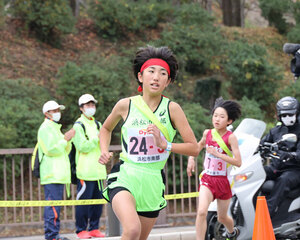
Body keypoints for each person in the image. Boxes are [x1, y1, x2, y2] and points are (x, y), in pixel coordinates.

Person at [98, 45, 200, 240]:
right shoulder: (125, 105)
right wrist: (104, 150)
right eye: (151, 71)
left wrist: (166, 145)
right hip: (126, 174)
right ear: (140, 76)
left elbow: (194, 148)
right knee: (132, 230)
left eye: (163, 74)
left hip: (153, 180)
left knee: (140, 238)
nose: (156, 77)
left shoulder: (172, 109)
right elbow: (105, 128)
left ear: (168, 81)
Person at [187, 97, 242, 240]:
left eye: (222, 117)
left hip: (223, 181)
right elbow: (197, 147)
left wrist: (218, 154)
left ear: (229, 121)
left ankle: (232, 232)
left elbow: (238, 162)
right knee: (201, 212)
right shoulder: (208, 133)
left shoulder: (231, 138)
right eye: (215, 115)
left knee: (222, 218)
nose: (217, 119)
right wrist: (191, 159)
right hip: (208, 179)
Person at [38, 100, 75, 240]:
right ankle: (52, 236)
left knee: (55, 207)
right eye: (55, 110)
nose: (58, 113)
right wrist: (65, 139)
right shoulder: (45, 128)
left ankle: (54, 235)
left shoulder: (54, 127)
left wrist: (68, 140)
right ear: (47, 113)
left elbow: (65, 150)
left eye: (59, 110)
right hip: (52, 173)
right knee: (52, 207)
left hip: (58, 174)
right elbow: (51, 150)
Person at [72, 94, 106, 239]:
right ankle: (81, 230)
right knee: (83, 203)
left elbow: (103, 143)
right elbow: (82, 146)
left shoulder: (98, 124)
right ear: (81, 108)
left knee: (98, 203)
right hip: (85, 171)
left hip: (99, 170)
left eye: (93, 105)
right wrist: (96, 138)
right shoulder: (78, 125)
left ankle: (94, 228)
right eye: (87, 105)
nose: (91, 107)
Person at [259, 96, 300, 217]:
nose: (287, 118)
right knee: (257, 174)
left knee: (283, 180)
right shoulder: (275, 131)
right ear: (279, 116)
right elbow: (261, 143)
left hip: (295, 170)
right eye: (284, 115)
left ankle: (267, 215)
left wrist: (292, 155)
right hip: (276, 167)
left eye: (290, 115)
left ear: (296, 114)